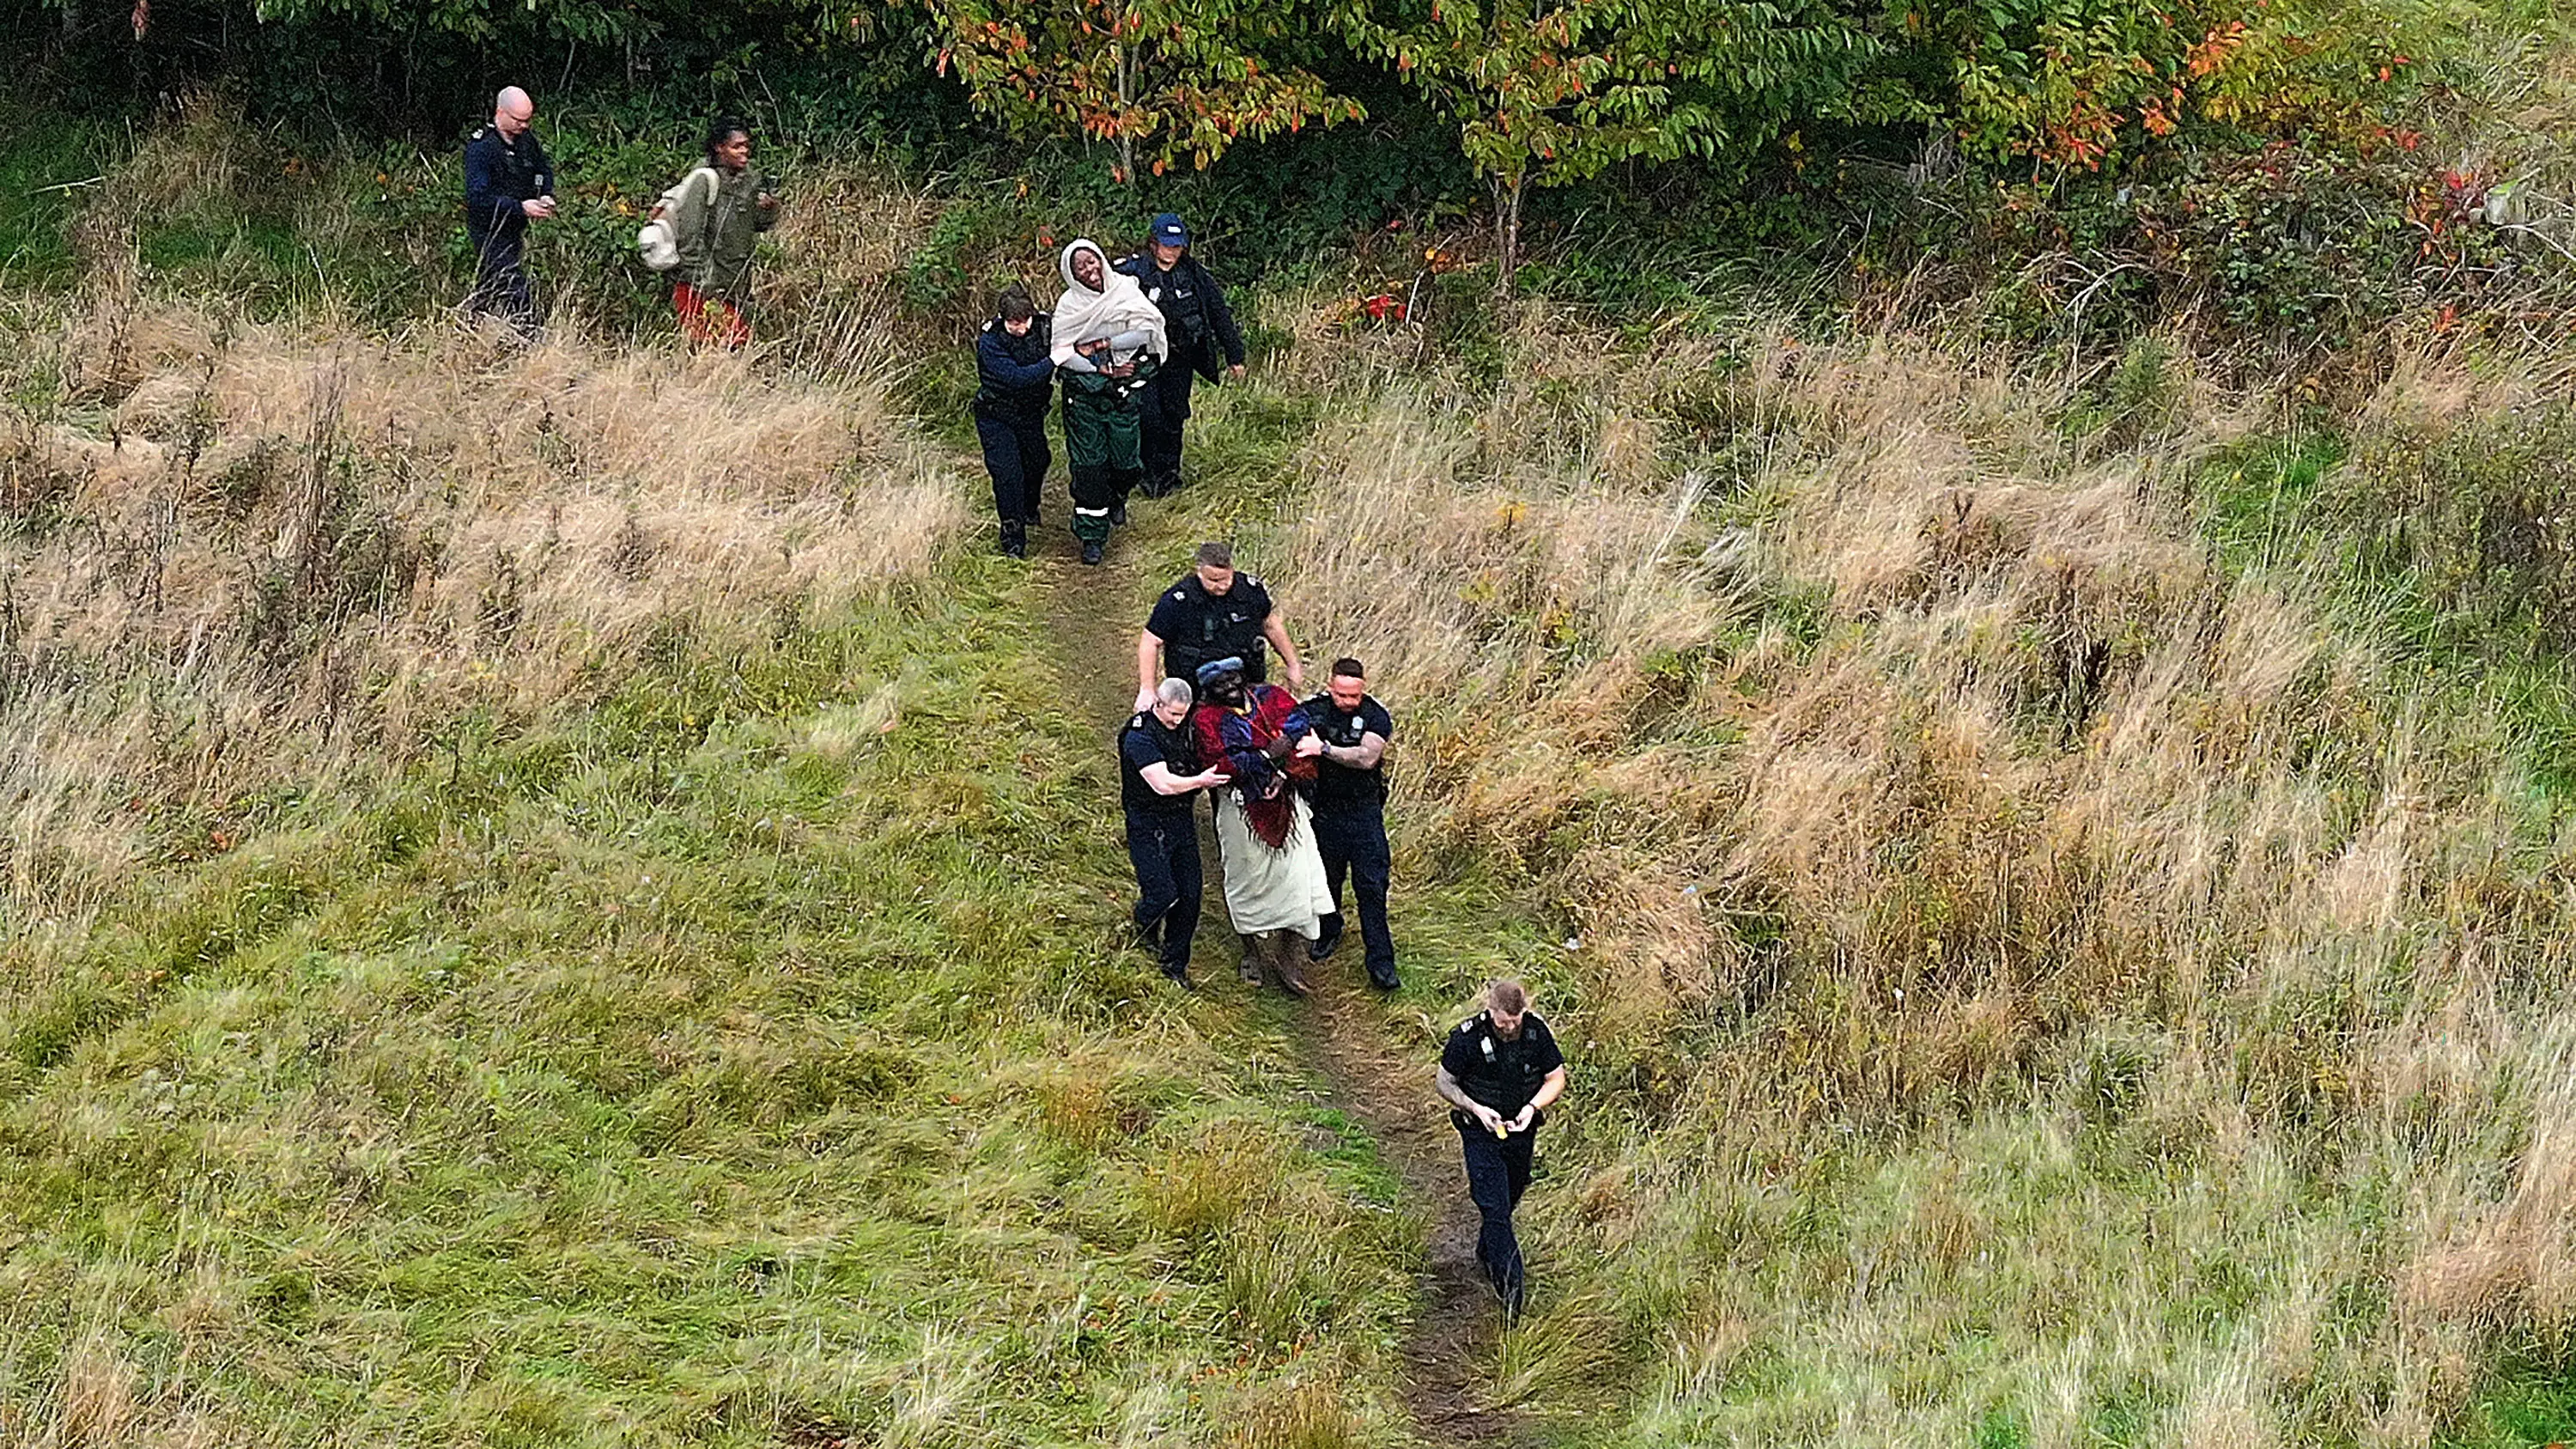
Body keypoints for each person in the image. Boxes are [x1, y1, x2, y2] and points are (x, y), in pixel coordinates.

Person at [1189, 656, 1334, 994]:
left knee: (1299, 876)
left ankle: (1289, 956)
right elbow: (1222, 762)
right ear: (1209, 690)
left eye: (1232, 679)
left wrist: (1283, 773)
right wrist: (1269, 754)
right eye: (1219, 685)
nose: (1229, 688)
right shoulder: (1206, 719)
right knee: (1245, 878)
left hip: (1287, 802)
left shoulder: (1269, 696)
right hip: (1240, 809)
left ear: (1242, 676)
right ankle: (1251, 952)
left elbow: (1300, 722)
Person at [1437, 980, 1567, 1316]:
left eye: (1515, 1020)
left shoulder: (1536, 1033)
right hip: (1480, 1132)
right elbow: (1444, 1082)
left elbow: (1556, 1077)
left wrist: (1532, 1108)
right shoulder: (1467, 1038)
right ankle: (1511, 1291)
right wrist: (1476, 1109)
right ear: (1489, 1010)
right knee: (1494, 1206)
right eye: (1502, 1021)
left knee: (1511, 1194)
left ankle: (1487, 1249)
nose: (1509, 1028)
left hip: (1520, 1131)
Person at [1049, 238, 1166, 565]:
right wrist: (1101, 368)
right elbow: (1063, 352)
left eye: (1092, 261)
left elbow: (1145, 330)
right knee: (1090, 468)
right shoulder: (1069, 306)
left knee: (1126, 463)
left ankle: (1117, 496)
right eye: (1080, 267)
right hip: (1085, 395)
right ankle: (1091, 536)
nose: (1089, 270)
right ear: (1071, 274)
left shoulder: (1125, 290)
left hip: (1124, 392)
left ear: (1101, 259)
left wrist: (1102, 345)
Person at [1115, 213, 1246, 497]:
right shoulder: (1132, 273)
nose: (1171, 252)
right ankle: (1147, 474)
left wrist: (1235, 356)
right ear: (1153, 244)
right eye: (1166, 245)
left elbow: (1218, 313)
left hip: (1181, 357)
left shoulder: (1194, 275)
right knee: (1149, 415)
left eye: (1176, 246)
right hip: (1143, 359)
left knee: (1173, 415)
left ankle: (1169, 475)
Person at [1121, 678, 1230, 986]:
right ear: (1158, 704)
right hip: (1147, 821)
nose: (1178, 721)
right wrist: (1201, 781)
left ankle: (1174, 965)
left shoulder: (1188, 727)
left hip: (1180, 820)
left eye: (1183, 715)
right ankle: (1143, 927)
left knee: (1190, 896)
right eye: (1172, 715)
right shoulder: (1139, 736)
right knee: (1161, 893)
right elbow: (1163, 783)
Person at [1303, 657, 1398, 989]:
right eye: (1341, 695)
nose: (1347, 702)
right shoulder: (1313, 710)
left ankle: (1381, 961)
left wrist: (1323, 748)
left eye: (1354, 696)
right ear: (1331, 687)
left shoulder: (1375, 715)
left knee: (1372, 886)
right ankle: (1328, 932)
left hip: (1364, 811)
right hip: (1325, 809)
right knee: (1326, 880)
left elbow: (1366, 757)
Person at [652, 118, 780, 350]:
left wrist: (769, 210)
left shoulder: (747, 182)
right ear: (719, 148)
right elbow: (689, 237)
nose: (744, 151)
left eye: (746, 146)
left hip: (732, 284)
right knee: (730, 346)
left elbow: (756, 226)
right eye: (737, 146)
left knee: (720, 351)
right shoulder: (703, 180)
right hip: (701, 286)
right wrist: (705, 283)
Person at [1133, 541, 1303, 713]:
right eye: (1214, 580)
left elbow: (1271, 626)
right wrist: (1147, 689)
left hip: (1246, 683)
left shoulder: (1250, 591)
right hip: (1196, 690)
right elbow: (1150, 640)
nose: (1222, 585)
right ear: (1199, 571)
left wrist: (1292, 665)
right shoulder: (1178, 601)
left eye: (1226, 578)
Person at [461, 86, 556, 330]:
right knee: (514, 285)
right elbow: (478, 198)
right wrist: (520, 207)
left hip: (514, 228)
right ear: (500, 112)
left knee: (489, 284)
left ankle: (468, 326)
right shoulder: (481, 148)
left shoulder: (526, 141)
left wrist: (545, 194)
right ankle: (532, 336)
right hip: (489, 229)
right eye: (518, 120)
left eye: (527, 121)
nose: (524, 126)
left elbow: (542, 169)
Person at [973, 283, 1054, 557]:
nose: (1020, 329)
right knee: (1007, 474)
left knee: (1038, 460)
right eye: (1013, 323)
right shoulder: (991, 341)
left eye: (1025, 322)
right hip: (996, 414)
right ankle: (1013, 537)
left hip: (1030, 412)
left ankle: (1029, 507)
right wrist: (1054, 361)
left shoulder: (1044, 327)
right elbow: (1017, 378)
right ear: (1003, 319)